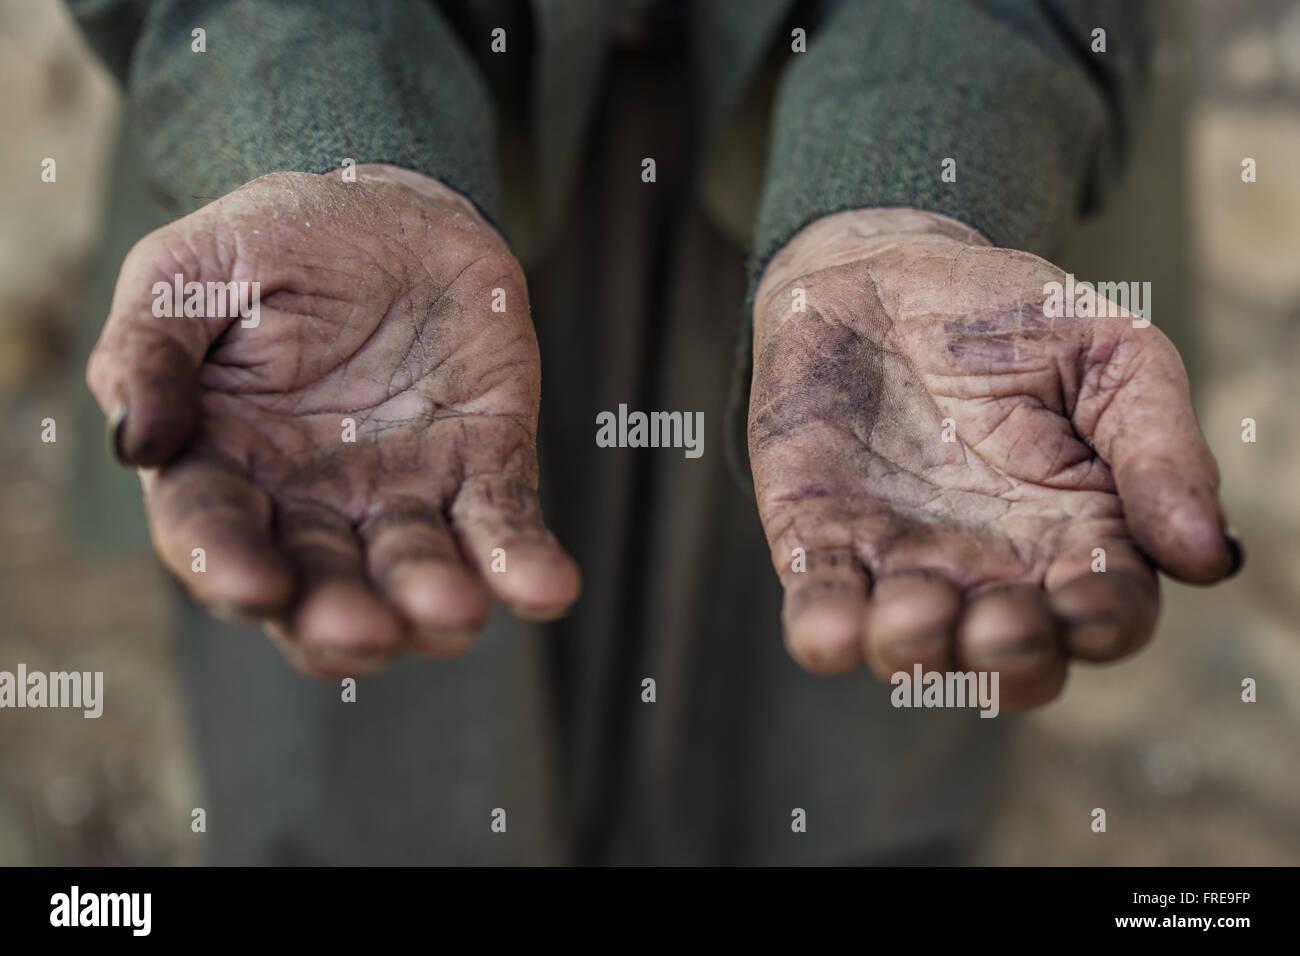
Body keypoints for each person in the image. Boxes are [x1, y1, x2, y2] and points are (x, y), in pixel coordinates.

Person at [69, 0, 1240, 864]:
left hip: (930, 230)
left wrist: (908, 181)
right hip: (357, 268)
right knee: (369, 799)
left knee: (849, 795)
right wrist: (324, 131)